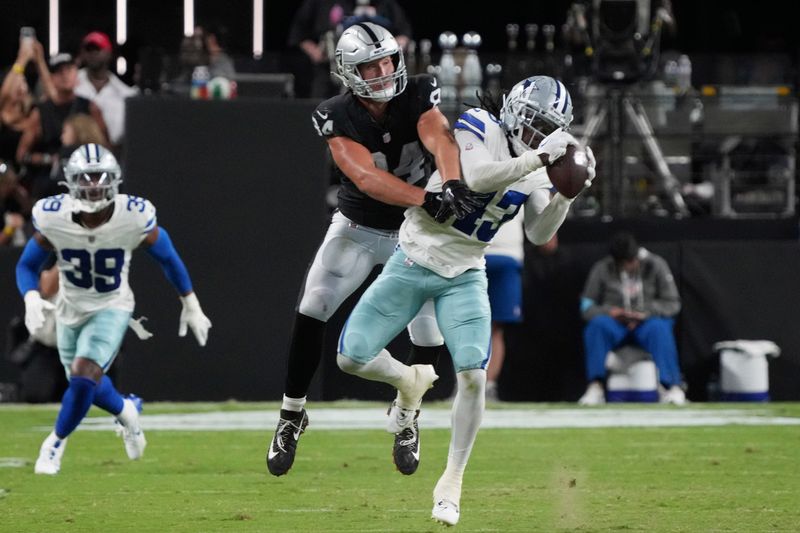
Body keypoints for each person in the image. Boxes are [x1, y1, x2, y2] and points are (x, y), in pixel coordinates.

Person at [336, 75, 596, 525]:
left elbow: (538, 232)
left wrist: (566, 197)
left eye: (544, 129)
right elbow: (475, 177)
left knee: (473, 377)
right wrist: (538, 158)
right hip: (415, 256)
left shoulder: (537, 165)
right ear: (514, 110)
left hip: (465, 273)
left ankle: (452, 482)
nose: (534, 135)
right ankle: (408, 383)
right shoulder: (478, 124)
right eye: (532, 123)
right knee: (351, 357)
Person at [265, 22, 478, 478]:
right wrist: (427, 197)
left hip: (416, 233)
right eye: (371, 65)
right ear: (348, 71)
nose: (383, 72)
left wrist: (453, 181)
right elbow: (364, 178)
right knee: (314, 305)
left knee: (427, 334)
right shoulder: (334, 114)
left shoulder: (420, 91)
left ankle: (408, 414)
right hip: (359, 225)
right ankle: (291, 413)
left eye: (387, 61)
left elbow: (439, 137)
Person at [15, 143, 212, 474]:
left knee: (83, 375)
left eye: (100, 177)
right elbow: (26, 266)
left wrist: (190, 302)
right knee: (85, 385)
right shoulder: (54, 216)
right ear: (71, 182)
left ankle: (54, 445)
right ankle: (127, 410)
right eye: (86, 178)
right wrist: (31, 297)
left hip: (112, 306)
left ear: (115, 179)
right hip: (69, 308)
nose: (94, 185)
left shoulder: (132, 215)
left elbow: (167, 256)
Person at [578, 231, 686, 405]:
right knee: (597, 325)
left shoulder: (656, 264)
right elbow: (586, 306)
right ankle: (595, 386)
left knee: (659, 328)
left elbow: (673, 303)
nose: (629, 264)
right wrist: (610, 312)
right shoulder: (602, 268)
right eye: (624, 262)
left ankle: (672, 386)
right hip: (616, 324)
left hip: (646, 323)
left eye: (631, 259)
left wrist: (646, 313)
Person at [16, 52, 107, 201]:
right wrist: (49, 159)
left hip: (84, 178)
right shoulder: (41, 112)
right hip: (49, 181)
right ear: (51, 78)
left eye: (69, 70)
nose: (65, 75)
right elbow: (22, 154)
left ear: (76, 74)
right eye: (59, 72)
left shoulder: (90, 107)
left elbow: (105, 147)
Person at [287, 0, 412, 99]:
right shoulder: (321, 2)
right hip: (328, 70)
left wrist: (392, 48)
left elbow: (404, 32)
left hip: (372, 73)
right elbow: (298, 32)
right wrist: (315, 52)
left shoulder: (384, 3)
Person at [483, 213, 524, 401]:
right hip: (472, 253)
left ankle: (488, 386)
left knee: (495, 329)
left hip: (503, 254)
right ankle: (466, 386)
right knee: (463, 326)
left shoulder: (524, 182)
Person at [75, 31, 138, 149]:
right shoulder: (71, 83)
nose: (93, 53)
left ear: (109, 53)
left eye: (97, 49)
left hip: (112, 153)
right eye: (89, 50)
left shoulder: (125, 93)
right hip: (76, 152)